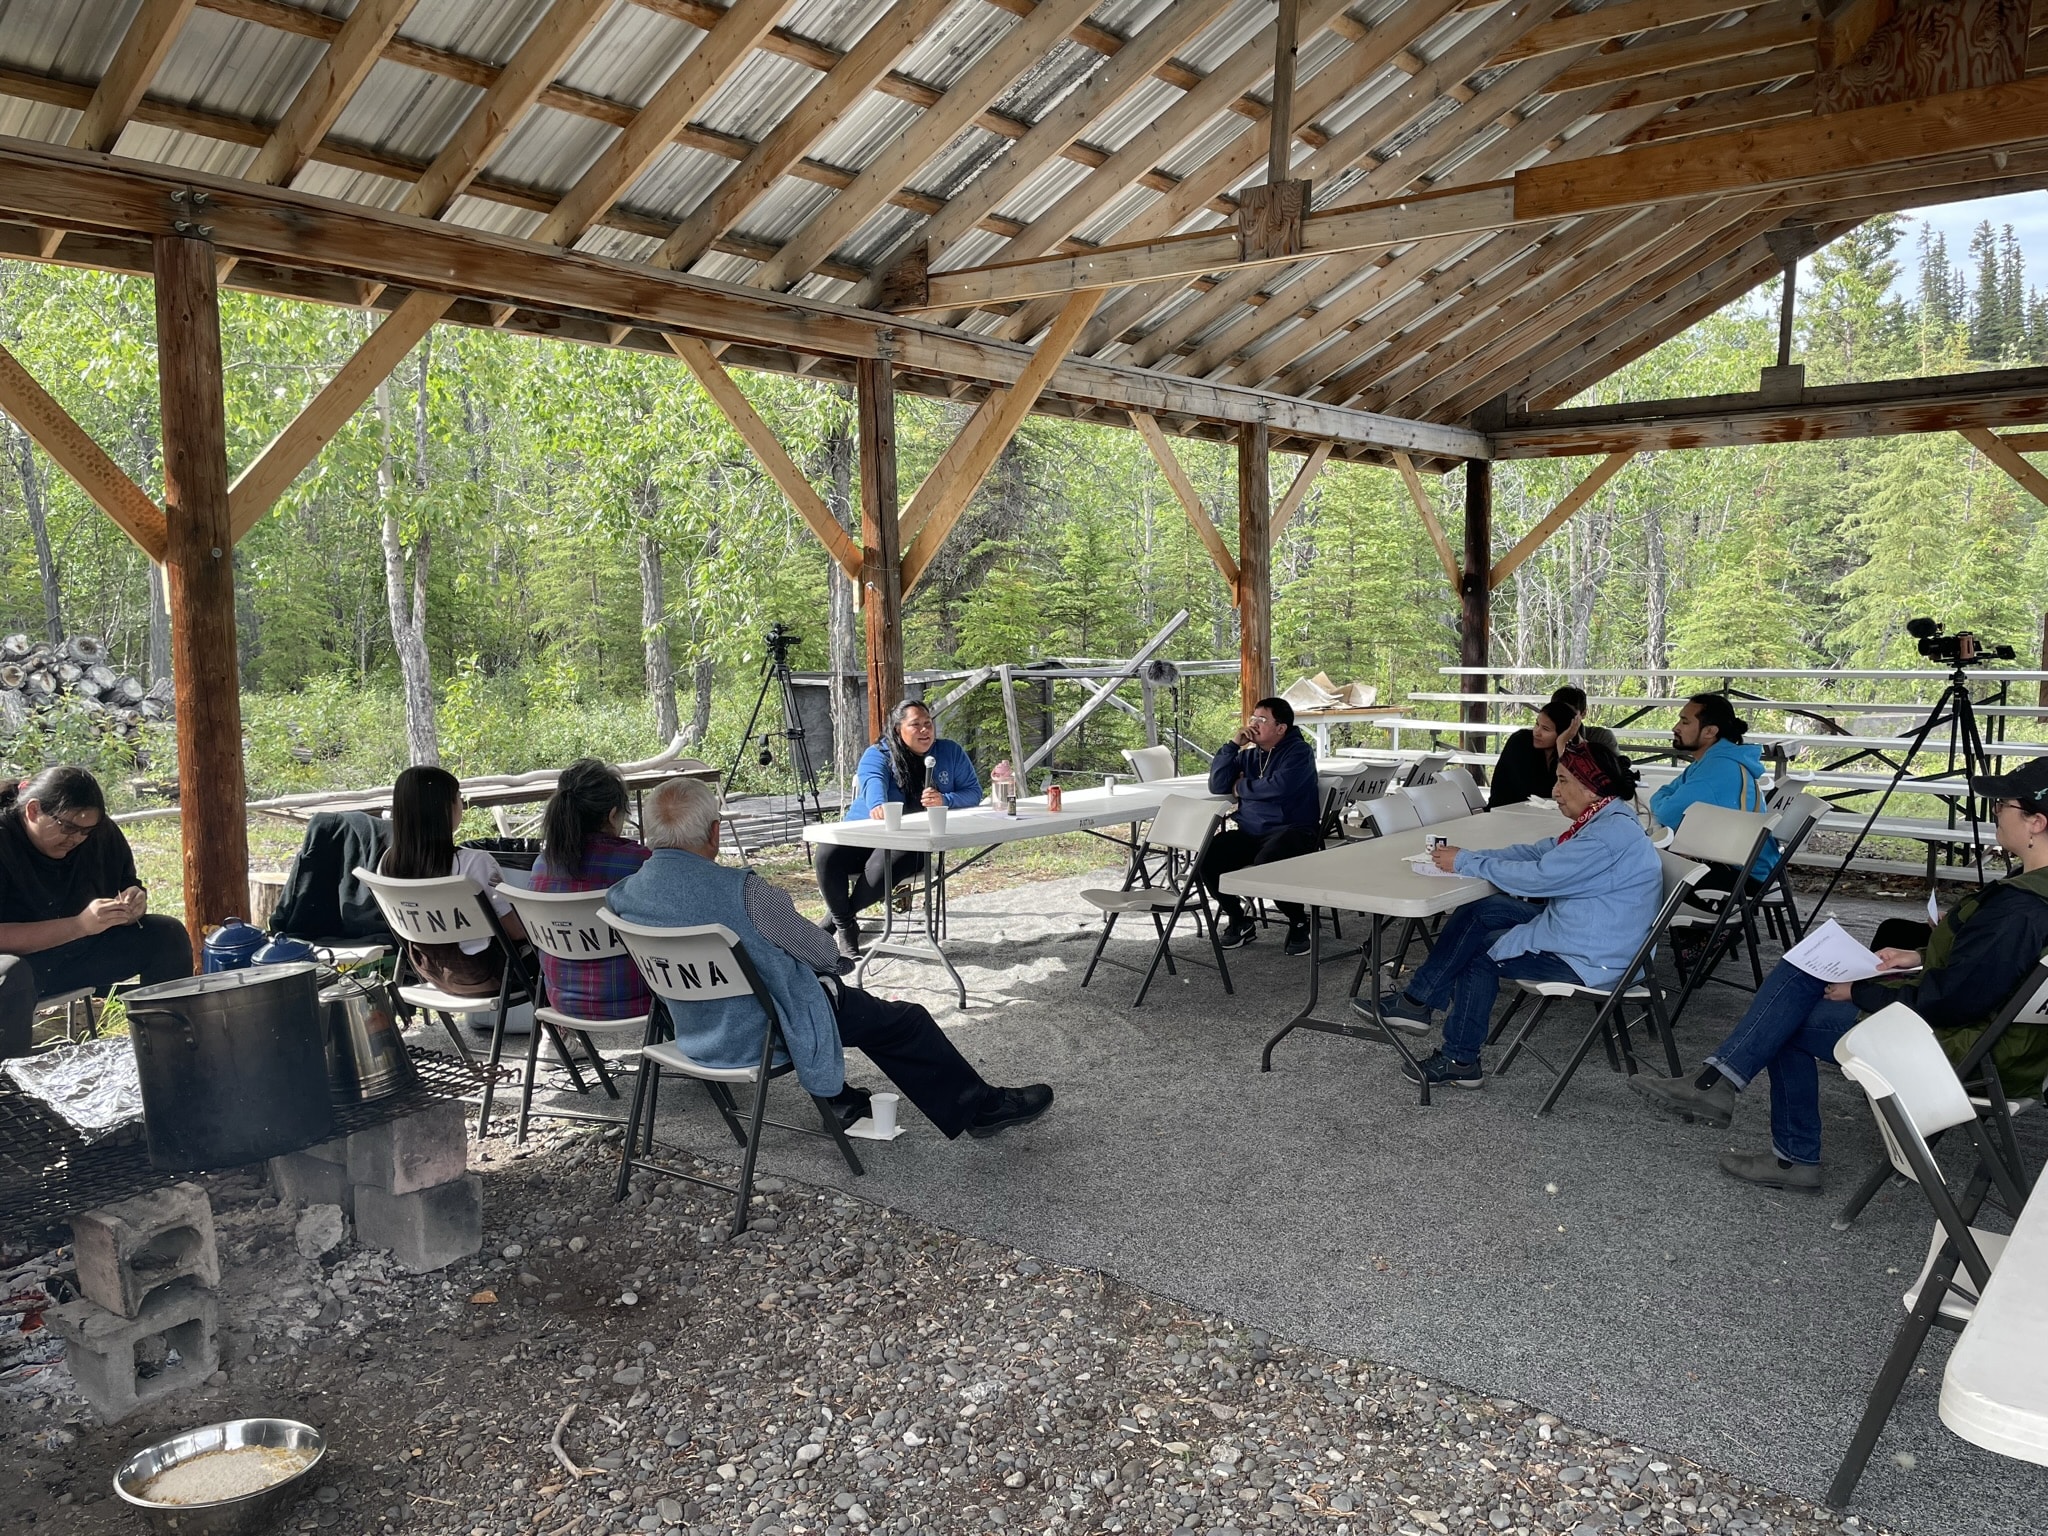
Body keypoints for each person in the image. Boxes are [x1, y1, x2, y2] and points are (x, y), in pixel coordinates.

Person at [1630, 759, 2048, 1192]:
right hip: (2016, 1051)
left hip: (1966, 1050)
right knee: (1801, 969)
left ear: (2036, 822)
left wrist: (1860, 991)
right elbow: (1997, 971)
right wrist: (1918, 954)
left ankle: (1778, 1144)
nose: (1994, 811)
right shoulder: (2034, 894)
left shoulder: (2019, 908)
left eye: (2003, 803)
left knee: (1785, 1022)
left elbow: (1955, 1000)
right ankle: (1718, 1085)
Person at [610, 776, 1052, 1140]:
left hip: (692, 1033)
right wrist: (830, 968)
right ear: (714, 832)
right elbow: (822, 950)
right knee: (905, 1021)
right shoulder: (743, 892)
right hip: (763, 1029)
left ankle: (842, 1098)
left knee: (844, 1004)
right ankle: (982, 1109)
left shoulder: (624, 895)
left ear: (651, 834)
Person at [1354, 739, 1662, 1088]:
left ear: (1591, 788)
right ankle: (1416, 1002)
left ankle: (1461, 1059)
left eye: (1563, 781)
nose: (1555, 791)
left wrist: (1469, 861)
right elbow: (1543, 852)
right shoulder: (1607, 818)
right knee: (1484, 908)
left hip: (1596, 956)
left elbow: (1539, 879)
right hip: (1594, 931)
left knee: (1480, 955)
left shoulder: (1604, 836)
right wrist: (1476, 857)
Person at [0, 766, 191, 1002]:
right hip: (21, 965)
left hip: (80, 954)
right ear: (33, 810)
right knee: (10, 974)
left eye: (86, 831)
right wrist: (79, 925)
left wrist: (133, 904)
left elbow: (127, 884)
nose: (77, 839)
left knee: (167, 935)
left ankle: (167, 1033)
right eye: (68, 828)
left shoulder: (100, 834)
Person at [814, 700, 982, 963]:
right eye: (916, 725)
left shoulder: (949, 752)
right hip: (866, 832)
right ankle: (847, 924)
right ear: (897, 730)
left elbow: (973, 793)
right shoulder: (878, 753)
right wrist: (879, 804)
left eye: (928, 724)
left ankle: (837, 923)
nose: (925, 730)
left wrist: (945, 799)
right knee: (826, 854)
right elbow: (873, 782)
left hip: (914, 841)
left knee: (888, 864)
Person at [379, 765, 529, 999]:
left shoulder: (388, 863)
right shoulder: (474, 863)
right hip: (487, 976)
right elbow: (516, 931)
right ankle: (556, 1028)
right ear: (445, 808)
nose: (462, 805)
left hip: (432, 974)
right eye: (459, 798)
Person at [531, 758, 652, 1021]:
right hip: (636, 999)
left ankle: (557, 1038)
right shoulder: (639, 862)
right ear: (612, 814)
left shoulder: (543, 863)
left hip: (561, 999)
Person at [1202, 696, 1322, 955]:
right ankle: (1239, 918)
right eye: (1253, 718)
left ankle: (1299, 921)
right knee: (1208, 856)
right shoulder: (1250, 755)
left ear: (1281, 728)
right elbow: (1218, 784)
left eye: (1262, 719)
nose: (1254, 725)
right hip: (1251, 832)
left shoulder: (1299, 752)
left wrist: (1241, 787)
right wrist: (1233, 745)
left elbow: (1280, 787)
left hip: (1293, 830)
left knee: (1269, 862)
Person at [1649, 694, 1776, 882]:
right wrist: (1664, 799)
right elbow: (1666, 792)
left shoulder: (1717, 769)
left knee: (1641, 868)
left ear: (1709, 731)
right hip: (1740, 863)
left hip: (1741, 877)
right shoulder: (1714, 760)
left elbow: (1667, 814)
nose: (1675, 728)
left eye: (1684, 722)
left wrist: (1663, 800)